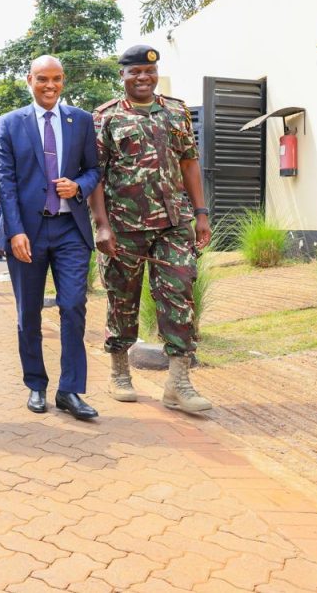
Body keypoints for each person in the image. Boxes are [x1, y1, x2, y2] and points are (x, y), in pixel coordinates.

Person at [89, 44, 213, 413]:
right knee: (122, 300)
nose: (143, 78)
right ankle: (119, 371)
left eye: (149, 72)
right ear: (123, 76)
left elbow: (189, 162)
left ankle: (178, 382)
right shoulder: (105, 117)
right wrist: (102, 226)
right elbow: (95, 176)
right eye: (135, 73)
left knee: (179, 294)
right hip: (124, 228)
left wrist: (201, 213)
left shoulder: (176, 111)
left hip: (173, 223)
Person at [0, 55, 101, 421]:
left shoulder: (81, 121)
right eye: (42, 79)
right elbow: (5, 181)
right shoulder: (10, 123)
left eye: (56, 79)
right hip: (28, 231)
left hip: (70, 228)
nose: (50, 86)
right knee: (29, 312)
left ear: (63, 80)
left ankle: (70, 390)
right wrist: (15, 231)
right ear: (29, 80)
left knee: (73, 305)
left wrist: (79, 186)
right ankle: (36, 384)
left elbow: (94, 170)